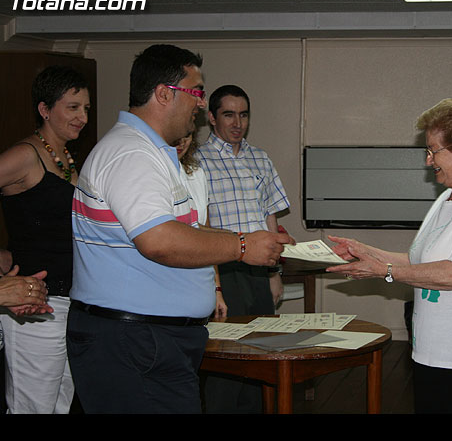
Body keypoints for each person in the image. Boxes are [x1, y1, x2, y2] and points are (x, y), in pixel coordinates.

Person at [67, 44, 293, 414]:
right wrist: (240, 246)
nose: (201, 105)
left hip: (150, 340)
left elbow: (187, 229)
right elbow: (159, 241)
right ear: (163, 94)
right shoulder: (133, 154)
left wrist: (253, 240)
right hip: (134, 341)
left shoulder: (154, 153)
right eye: (197, 93)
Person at [327, 98, 452, 414]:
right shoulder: (450, 197)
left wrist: (385, 270)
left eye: (434, 150)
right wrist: (364, 251)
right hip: (439, 353)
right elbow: (420, 261)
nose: (428, 160)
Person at [0, 65, 89, 414]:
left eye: (86, 108)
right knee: (31, 408)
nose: (82, 116)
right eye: (72, 107)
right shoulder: (26, 155)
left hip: (69, 301)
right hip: (33, 303)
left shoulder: (66, 159)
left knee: (59, 406)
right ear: (45, 109)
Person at [195, 84, 290, 413]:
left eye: (244, 114)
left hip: (258, 271)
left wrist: (274, 274)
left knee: (260, 357)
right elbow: (198, 227)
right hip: (222, 269)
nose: (237, 122)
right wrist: (215, 283)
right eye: (228, 114)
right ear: (211, 117)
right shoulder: (197, 161)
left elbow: (271, 219)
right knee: (227, 362)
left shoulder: (260, 158)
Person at [173, 132, 227, 318]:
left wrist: (217, 289)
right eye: (177, 136)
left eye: (186, 136)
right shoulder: (155, 173)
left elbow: (207, 237)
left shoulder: (196, 173)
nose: (181, 142)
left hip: (201, 282)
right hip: (173, 282)